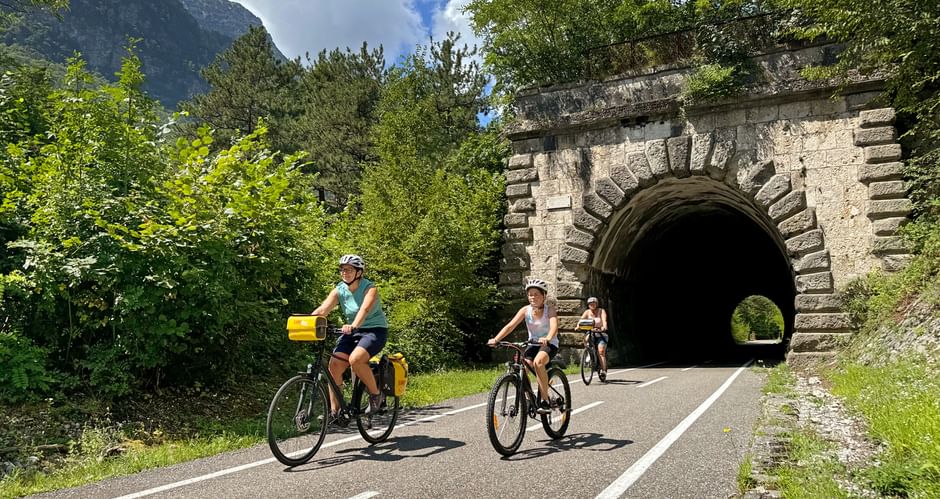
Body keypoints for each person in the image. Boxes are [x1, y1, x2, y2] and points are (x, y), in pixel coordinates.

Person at [310, 254, 388, 419]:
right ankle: (335, 412)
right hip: (351, 332)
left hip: (374, 331)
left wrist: (354, 325)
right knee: (334, 366)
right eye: (342, 269)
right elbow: (322, 310)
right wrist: (306, 322)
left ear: (359, 272)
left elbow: (364, 310)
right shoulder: (340, 290)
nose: (345, 273)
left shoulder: (370, 288)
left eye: (349, 270)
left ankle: (377, 395)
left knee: (356, 360)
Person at [487, 278, 559, 414]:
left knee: (538, 362)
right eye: (530, 294)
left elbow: (554, 326)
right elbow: (510, 326)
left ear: (544, 296)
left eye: (536, 294)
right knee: (524, 365)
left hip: (549, 344)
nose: (533, 297)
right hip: (533, 343)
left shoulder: (549, 310)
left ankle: (545, 400)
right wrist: (496, 339)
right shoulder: (525, 310)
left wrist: (548, 338)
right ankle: (529, 397)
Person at [581, 296, 609, 379]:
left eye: (593, 304)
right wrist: (577, 326)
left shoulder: (601, 311)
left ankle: (603, 371)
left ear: (596, 304)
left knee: (601, 352)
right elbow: (581, 321)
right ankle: (588, 353)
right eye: (590, 304)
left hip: (601, 334)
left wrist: (604, 327)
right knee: (586, 339)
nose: (592, 305)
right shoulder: (587, 312)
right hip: (591, 332)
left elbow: (604, 321)